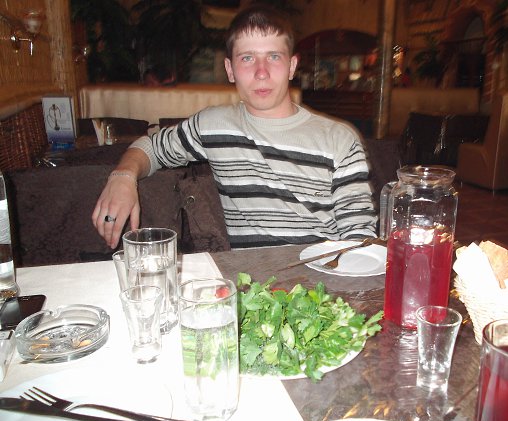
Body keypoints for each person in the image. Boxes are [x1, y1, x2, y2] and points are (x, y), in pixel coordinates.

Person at [92, 5, 377, 249]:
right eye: (247, 58)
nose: (261, 72)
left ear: (292, 66)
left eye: (274, 57)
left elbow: (359, 238)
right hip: (248, 287)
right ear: (230, 70)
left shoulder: (339, 139)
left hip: (321, 282)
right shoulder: (213, 126)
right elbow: (151, 147)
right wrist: (122, 177)